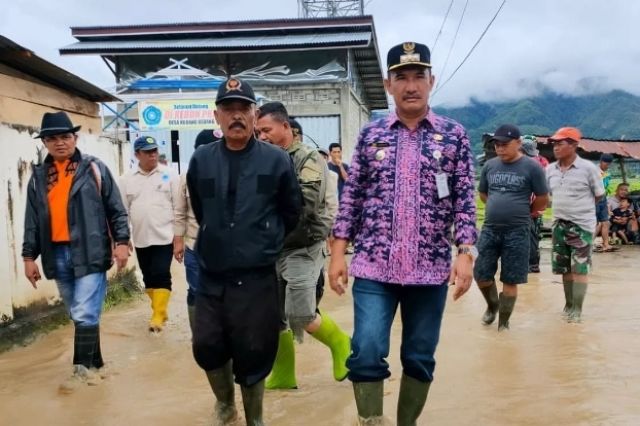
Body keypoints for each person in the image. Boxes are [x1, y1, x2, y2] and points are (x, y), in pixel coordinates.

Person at [329, 42, 477, 425]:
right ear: (388, 84)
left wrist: (465, 252)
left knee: (420, 355)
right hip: (374, 266)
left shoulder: (454, 136)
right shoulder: (371, 135)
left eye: (418, 77)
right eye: (401, 78)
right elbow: (353, 196)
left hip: (429, 269)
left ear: (431, 81)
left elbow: (463, 198)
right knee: (366, 350)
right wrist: (338, 253)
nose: (410, 86)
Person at [186, 77, 302, 425]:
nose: (236, 116)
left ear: (254, 115)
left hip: (256, 276)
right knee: (206, 345)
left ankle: (255, 418)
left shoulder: (276, 161)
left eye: (243, 109)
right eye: (228, 109)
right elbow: (199, 207)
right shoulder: (201, 159)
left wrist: (264, 241)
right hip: (211, 273)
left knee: (254, 350)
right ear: (216, 116)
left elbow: (291, 211)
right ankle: (225, 404)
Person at [22, 111, 130, 393]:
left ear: (75, 138)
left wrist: (121, 243)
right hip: (55, 253)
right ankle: (97, 365)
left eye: (65, 137)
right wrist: (28, 257)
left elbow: (116, 209)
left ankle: (80, 373)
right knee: (78, 313)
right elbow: (32, 221)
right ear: (44, 142)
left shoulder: (94, 168)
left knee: (83, 312)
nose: (60, 143)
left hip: (91, 250)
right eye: (53, 138)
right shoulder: (38, 178)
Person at [255, 102, 349, 391]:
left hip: (302, 245)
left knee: (301, 313)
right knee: (272, 315)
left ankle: (341, 343)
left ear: (286, 127)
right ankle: (284, 375)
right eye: (258, 132)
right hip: (272, 248)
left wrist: (262, 215)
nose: (262, 136)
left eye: (267, 130)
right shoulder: (263, 159)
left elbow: (305, 204)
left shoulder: (308, 158)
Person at [475, 125, 549, 331]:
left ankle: (503, 324)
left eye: (504, 144)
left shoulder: (532, 167)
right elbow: (483, 194)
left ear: (518, 143)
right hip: (490, 228)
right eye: (497, 144)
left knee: (510, 278)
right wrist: (497, 207)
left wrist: (523, 213)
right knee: (481, 274)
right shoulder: (490, 166)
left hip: (518, 230)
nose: (499, 148)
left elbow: (542, 199)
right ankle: (492, 305)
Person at [119, 136, 181, 333]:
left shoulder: (170, 175)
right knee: (148, 277)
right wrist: (123, 237)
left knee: (162, 273)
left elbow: (178, 207)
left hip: (165, 235)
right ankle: (159, 309)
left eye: (154, 150)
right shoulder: (126, 179)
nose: (152, 154)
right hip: (141, 237)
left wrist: (179, 237)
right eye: (147, 151)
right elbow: (122, 210)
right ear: (137, 154)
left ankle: (157, 316)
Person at [546, 127, 605, 323]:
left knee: (579, 268)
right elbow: (548, 196)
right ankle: (568, 304)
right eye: (554, 143)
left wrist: (580, 212)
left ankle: (577, 310)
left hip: (581, 226)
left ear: (573, 145)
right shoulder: (550, 170)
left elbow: (599, 196)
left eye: (560, 143)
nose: (555, 147)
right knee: (564, 269)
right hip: (558, 225)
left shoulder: (588, 169)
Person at [174, 129, 217, 333]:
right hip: (194, 244)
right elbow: (180, 211)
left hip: (225, 246)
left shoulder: (233, 176)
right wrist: (177, 240)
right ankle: (199, 334)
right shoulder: (185, 178)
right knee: (197, 289)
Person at [521, 135, 549, 272]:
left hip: (526, 207)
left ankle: (531, 264)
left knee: (527, 235)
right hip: (536, 207)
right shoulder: (542, 161)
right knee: (533, 235)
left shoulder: (525, 163)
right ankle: (533, 263)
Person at [594, 153, 615, 252]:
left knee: (606, 222)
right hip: (595, 200)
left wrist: (607, 202)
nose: (607, 166)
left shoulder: (606, 173)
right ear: (601, 162)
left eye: (609, 165)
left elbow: (606, 188)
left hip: (603, 199)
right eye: (606, 164)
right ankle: (589, 244)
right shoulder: (594, 172)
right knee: (596, 224)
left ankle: (606, 244)